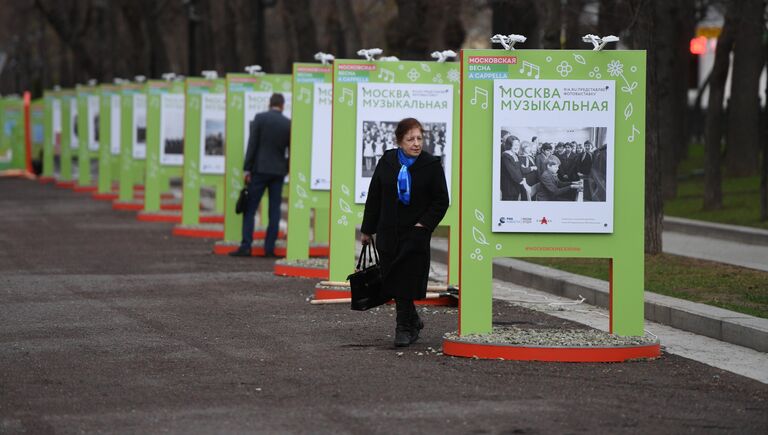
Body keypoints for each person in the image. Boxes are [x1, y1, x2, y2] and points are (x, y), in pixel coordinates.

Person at [360, 118, 449, 348]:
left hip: (415, 233)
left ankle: (402, 328)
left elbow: (441, 201)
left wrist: (424, 225)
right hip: (388, 231)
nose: (416, 143)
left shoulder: (431, 165)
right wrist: (368, 229)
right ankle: (413, 320)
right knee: (392, 277)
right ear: (399, 141)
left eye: (419, 138)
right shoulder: (387, 161)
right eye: (410, 139)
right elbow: (375, 196)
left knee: (406, 277)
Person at [230, 93, 291, 258]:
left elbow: (253, 144)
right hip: (278, 172)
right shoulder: (287, 123)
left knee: (250, 209)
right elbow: (290, 150)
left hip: (260, 170)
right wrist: (286, 168)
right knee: (274, 210)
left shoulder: (260, 118)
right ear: (282, 105)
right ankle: (269, 248)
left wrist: (247, 168)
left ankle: (246, 246)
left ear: (269, 103)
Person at [500, 135, 523, 200]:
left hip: (516, 186)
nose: (517, 147)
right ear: (509, 145)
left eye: (518, 145)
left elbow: (519, 169)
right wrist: (523, 183)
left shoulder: (515, 155)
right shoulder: (505, 155)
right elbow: (513, 172)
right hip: (508, 187)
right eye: (515, 145)